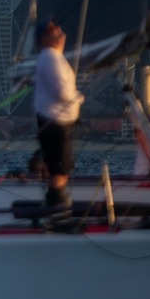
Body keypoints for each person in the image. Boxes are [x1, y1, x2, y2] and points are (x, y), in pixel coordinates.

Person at [34, 17, 84, 206]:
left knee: (62, 167)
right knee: (58, 169)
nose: (59, 29)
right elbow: (62, 91)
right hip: (54, 122)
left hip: (59, 122)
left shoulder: (54, 57)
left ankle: (58, 202)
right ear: (44, 38)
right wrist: (79, 98)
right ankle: (56, 206)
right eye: (53, 28)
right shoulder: (50, 57)